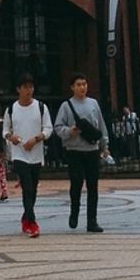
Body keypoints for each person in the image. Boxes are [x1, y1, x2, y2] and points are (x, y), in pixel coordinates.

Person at [54, 73, 109, 232]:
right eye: (78, 84)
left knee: (93, 186)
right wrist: (69, 131)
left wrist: (104, 146)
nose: (82, 87)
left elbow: (101, 126)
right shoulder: (66, 106)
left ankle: (92, 220)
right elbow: (58, 127)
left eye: (84, 84)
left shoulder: (93, 103)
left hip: (92, 150)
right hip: (74, 151)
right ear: (72, 87)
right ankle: (74, 212)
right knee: (76, 183)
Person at [4, 73, 53, 236]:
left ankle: (26, 217)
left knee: (33, 190)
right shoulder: (11, 110)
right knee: (27, 187)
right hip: (19, 154)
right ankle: (32, 223)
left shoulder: (41, 107)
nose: (29, 90)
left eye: (31, 87)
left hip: (36, 154)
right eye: (25, 87)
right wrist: (12, 137)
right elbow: (5, 131)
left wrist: (37, 138)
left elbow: (48, 128)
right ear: (18, 89)